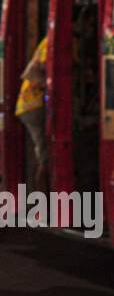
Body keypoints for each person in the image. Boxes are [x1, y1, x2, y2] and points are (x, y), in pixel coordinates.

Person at [16, 33, 49, 194]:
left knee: (44, 155)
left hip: (32, 106)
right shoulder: (52, 41)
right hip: (33, 106)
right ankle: (41, 203)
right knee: (45, 157)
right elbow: (32, 75)